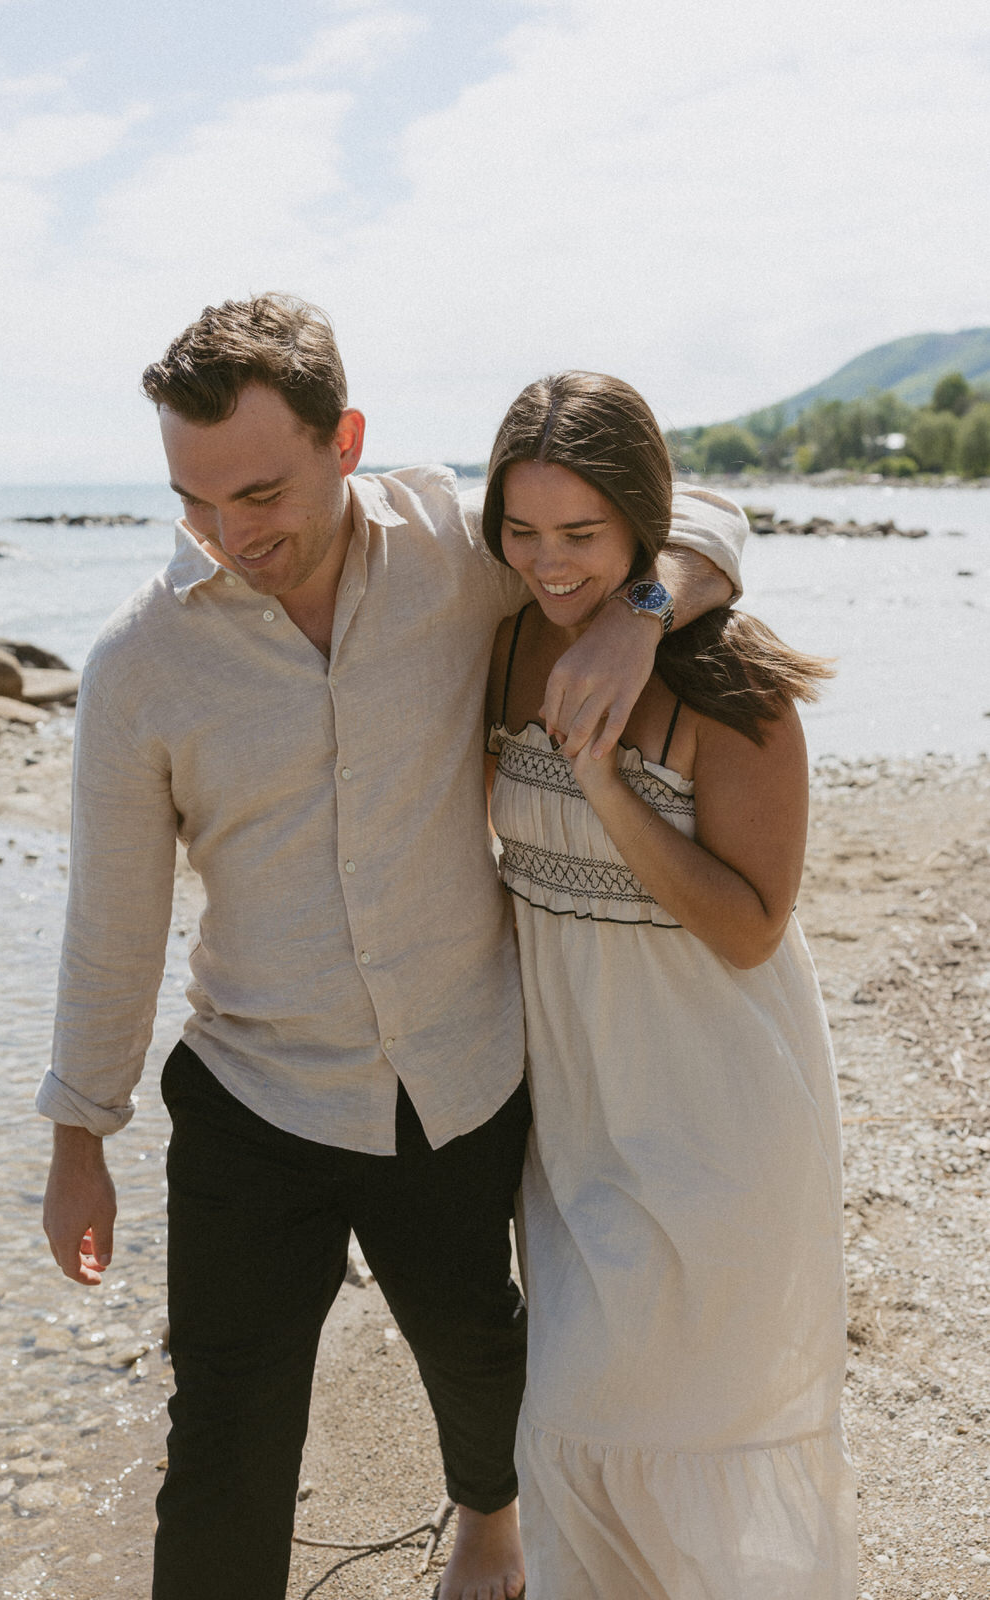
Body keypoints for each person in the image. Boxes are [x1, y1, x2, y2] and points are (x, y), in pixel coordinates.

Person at [36, 295, 745, 1600]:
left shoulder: (451, 554)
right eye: (194, 502)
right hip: (253, 1100)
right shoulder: (140, 666)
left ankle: (488, 1521)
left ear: (343, 438)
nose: (230, 534)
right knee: (224, 1451)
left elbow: (694, 518)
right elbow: (113, 919)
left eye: (259, 491)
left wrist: (640, 611)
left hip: (454, 1079)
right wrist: (80, 1135)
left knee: (482, 1360)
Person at [482, 371, 856, 1599]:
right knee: (570, 1425)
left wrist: (600, 784)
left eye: (581, 534)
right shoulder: (500, 634)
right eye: (521, 531)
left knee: (689, 1439)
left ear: (643, 521)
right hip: (580, 1116)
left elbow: (751, 929)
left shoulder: (730, 689)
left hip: (717, 1112)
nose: (547, 563)